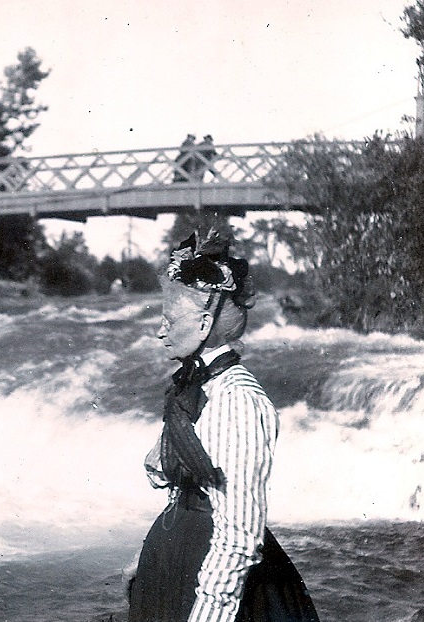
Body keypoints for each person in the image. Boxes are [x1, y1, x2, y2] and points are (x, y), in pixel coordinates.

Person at [127, 230, 319, 622]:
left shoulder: (238, 400)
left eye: (169, 320)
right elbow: (186, 488)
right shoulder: (196, 387)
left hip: (214, 582)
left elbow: (239, 538)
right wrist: (147, 555)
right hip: (175, 558)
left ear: (203, 322)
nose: (160, 331)